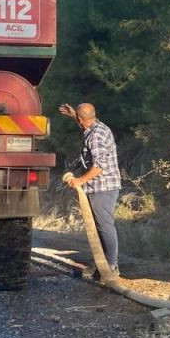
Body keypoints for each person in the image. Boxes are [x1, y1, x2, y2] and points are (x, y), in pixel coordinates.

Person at [59, 102, 121, 275]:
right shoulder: (99, 127)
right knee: (98, 226)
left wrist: (80, 180)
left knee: (104, 226)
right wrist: (75, 116)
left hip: (103, 187)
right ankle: (102, 264)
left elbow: (100, 165)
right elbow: (87, 121)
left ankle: (111, 266)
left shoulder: (95, 136)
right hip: (100, 186)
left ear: (80, 119)